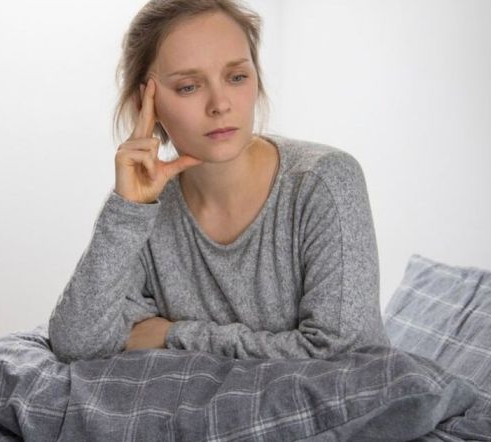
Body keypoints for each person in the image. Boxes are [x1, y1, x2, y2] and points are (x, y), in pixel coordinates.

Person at [48, 0, 388, 364]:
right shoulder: (144, 211)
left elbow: (346, 358)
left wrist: (173, 334)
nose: (220, 104)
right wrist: (127, 210)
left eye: (236, 77)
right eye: (189, 87)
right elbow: (77, 344)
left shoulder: (324, 181)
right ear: (145, 103)